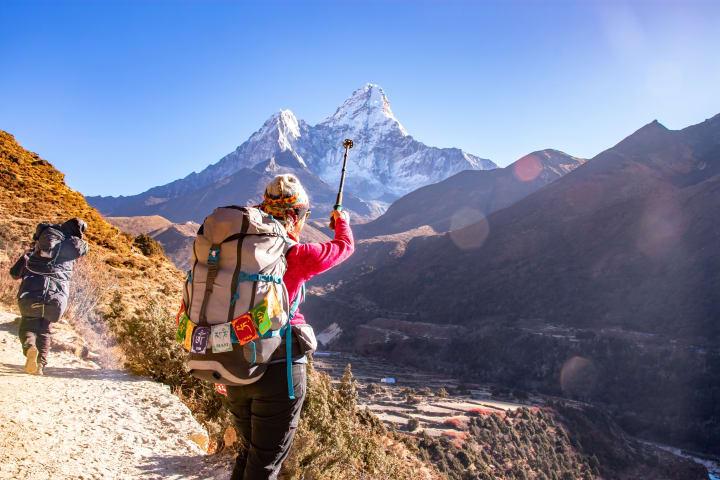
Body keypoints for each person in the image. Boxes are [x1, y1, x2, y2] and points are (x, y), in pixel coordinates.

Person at [225, 174, 354, 480]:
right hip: (279, 368)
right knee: (266, 464)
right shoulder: (294, 255)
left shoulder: (236, 248)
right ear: (297, 216)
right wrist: (341, 221)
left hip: (234, 365)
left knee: (249, 452)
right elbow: (344, 247)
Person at [9, 218, 89, 375]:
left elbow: (13, 274)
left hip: (30, 295)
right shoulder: (69, 257)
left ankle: (30, 348)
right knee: (45, 329)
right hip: (56, 299)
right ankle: (40, 365)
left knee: (28, 325)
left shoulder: (32, 253)